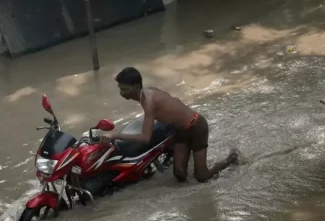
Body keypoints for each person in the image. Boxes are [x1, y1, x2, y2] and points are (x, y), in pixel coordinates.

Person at [101, 67, 240, 183]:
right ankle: (189, 155)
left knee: (201, 177)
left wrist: (114, 135)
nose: (121, 93)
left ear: (136, 87)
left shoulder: (148, 102)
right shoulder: (147, 91)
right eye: (120, 89)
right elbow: (173, 100)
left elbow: (145, 138)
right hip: (180, 129)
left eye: (124, 89)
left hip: (196, 126)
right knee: (179, 174)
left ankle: (231, 159)